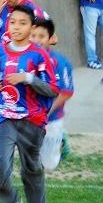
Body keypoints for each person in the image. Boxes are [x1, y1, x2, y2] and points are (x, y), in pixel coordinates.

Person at [0, 6, 58, 203]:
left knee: (31, 169)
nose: (16, 27)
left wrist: (28, 78)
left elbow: (52, 89)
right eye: (13, 23)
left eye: (22, 23)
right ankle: (12, 202)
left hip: (32, 120)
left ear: (31, 27)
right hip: (4, 117)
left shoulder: (39, 55)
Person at [30, 18, 74, 172]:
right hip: (29, 118)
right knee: (31, 161)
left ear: (50, 38)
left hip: (52, 118)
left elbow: (66, 92)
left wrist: (47, 112)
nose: (36, 40)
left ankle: (61, 138)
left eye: (41, 36)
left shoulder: (60, 62)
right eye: (33, 35)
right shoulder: (24, 59)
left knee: (49, 165)